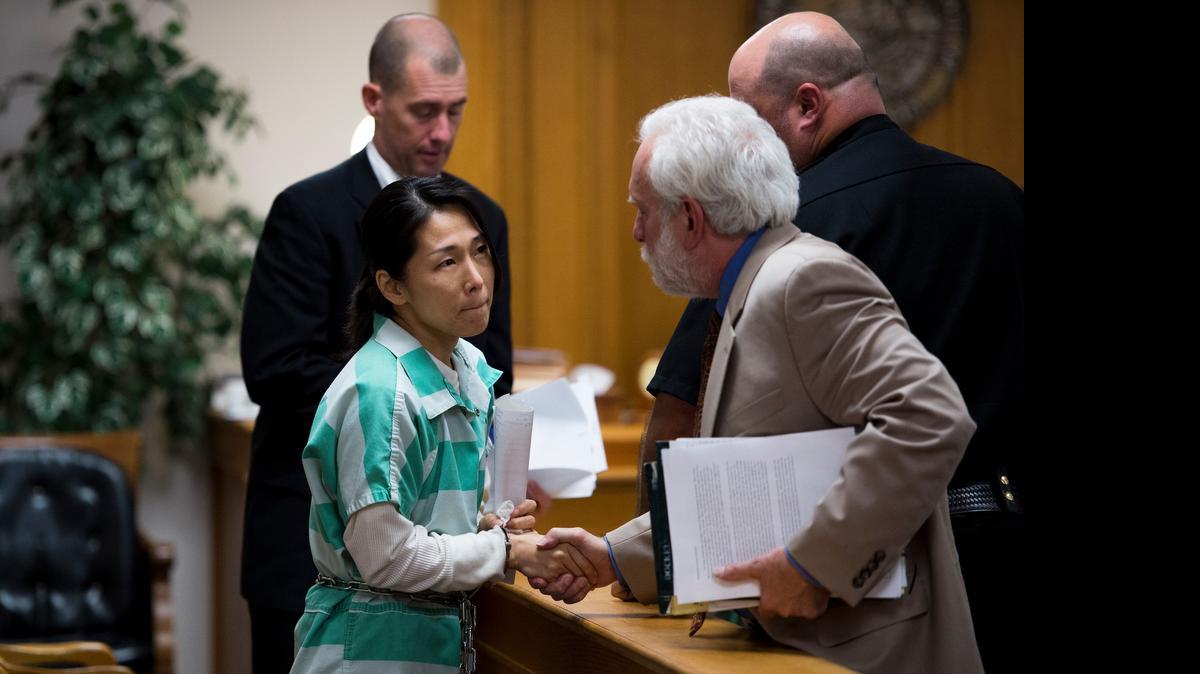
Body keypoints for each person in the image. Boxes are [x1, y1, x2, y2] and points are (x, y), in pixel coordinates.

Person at [533, 95, 983, 674]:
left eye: (643, 210)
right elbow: (750, 482)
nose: (637, 231)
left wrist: (813, 566)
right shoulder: (750, 287)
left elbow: (930, 417)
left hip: (868, 653)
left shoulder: (804, 280)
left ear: (692, 219)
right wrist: (615, 558)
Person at [638, 13, 1024, 670]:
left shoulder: (786, 227)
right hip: (1011, 556)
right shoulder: (1004, 199)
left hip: (862, 592)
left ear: (807, 106)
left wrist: (676, 582)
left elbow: (683, 411)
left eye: (749, 116)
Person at [239, 15, 516, 671]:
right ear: (375, 101)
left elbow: (486, 367)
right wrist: (400, 385)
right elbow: (276, 370)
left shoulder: (480, 216)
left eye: (455, 111)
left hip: (444, 546)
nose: (441, 132)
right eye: (425, 111)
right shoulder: (308, 211)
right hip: (310, 544)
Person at [290, 176, 593, 673]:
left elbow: (425, 520)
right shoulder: (380, 390)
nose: (476, 278)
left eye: (480, 252)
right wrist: (504, 550)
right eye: (447, 262)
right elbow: (386, 556)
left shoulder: (469, 368)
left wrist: (486, 527)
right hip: (367, 649)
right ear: (392, 286)